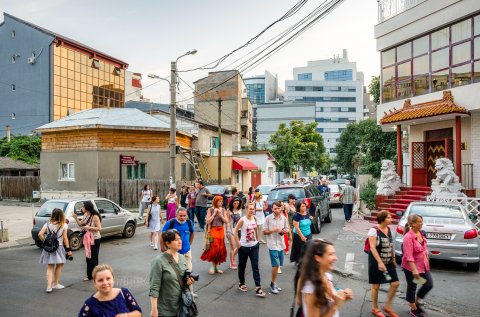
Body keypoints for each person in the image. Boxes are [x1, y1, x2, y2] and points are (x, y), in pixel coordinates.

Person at [297, 239, 352, 317]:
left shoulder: (327, 276)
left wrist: (341, 294)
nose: (336, 258)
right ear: (317, 258)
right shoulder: (312, 288)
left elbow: (300, 302)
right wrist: (335, 305)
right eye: (331, 254)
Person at [149, 229, 196, 317]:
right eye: (176, 240)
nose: (180, 241)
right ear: (167, 243)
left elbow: (182, 280)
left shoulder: (182, 258)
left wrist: (188, 281)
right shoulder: (159, 261)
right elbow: (154, 287)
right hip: (165, 310)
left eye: (180, 239)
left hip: (182, 307)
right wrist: (154, 310)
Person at [368, 210, 400, 317]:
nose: (391, 219)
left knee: (395, 283)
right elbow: (372, 248)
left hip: (389, 261)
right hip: (376, 262)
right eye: (389, 217)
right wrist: (380, 263)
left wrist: (394, 257)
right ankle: (375, 308)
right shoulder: (374, 231)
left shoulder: (389, 229)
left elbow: (391, 244)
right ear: (382, 219)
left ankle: (388, 307)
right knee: (376, 286)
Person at [78, 264, 142, 317]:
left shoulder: (124, 293)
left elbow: (138, 312)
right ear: (95, 283)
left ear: (113, 279)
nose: (105, 283)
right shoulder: (90, 304)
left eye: (108, 278)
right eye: (100, 280)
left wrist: (127, 315)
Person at [160, 207, 196, 297]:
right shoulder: (170, 223)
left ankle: (190, 292)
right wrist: (162, 247)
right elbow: (162, 236)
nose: (183, 217)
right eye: (181, 216)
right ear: (176, 215)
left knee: (188, 272)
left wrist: (189, 244)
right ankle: (174, 293)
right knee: (175, 274)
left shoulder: (188, 222)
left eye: (184, 215)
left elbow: (192, 233)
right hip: (174, 253)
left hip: (187, 252)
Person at [402, 214, 433, 317]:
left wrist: (426, 255)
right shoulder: (408, 237)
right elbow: (408, 256)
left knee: (428, 284)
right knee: (412, 286)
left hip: (423, 265)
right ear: (412, 224)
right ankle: (413, 308)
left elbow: (424, 247)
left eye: (422, 221)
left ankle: (417, 302)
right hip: (411, 268)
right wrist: (414, 270)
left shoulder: (421, 233)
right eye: (419, 222)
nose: (421, 223)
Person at [233, 202, 266, 298]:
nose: (252, 210)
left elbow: (255, 229)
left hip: (254, 246)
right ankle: (241, 283)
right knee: (242, 266)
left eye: (253, 209)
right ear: (246, 209)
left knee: (255, 266)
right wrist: (238, 244)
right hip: (244, 247)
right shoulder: (242, 220)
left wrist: (257, 239)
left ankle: (258, 287)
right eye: (250, 209)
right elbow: (235, 231)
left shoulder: (255, 218)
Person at [38, 208, 72, 293]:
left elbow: (40, 234)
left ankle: (49, 287)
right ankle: (56, 284)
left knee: (50, 267)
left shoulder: (47, 224)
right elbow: (65, 238)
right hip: (59, 247)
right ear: (61, 215)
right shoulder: (63, 225)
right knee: (59, 265)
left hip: (49, 248)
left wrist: (46, 241)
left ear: (53, 215)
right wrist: (68, 250)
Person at [263, 201, 290, 294]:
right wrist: (272, 230)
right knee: (275, 265)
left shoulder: (284, 218)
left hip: (281, 244)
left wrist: (284, 231)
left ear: (281, 208)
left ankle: (274, 283)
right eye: (275, 209)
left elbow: (287, 228)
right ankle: (272, 284)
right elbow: (264, 232)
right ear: (272, 209)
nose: (277, 210)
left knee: (278, 265)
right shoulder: (268, 218)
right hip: (272, 244)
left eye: (278, 208)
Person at [72, 201, 102, 281]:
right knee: (88, 257)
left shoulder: (95, 216)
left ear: (87, 207)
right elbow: (81, 224)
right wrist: (75, 218)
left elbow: (99, 228)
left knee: (94, 258)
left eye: (83, 206)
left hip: (95, 239)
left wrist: (89, 228)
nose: (82, 208)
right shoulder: (85, 215)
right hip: (87, 239)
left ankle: (95, 276)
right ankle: (89, 276)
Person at [200, 195, 228, 274]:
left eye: (221, 201)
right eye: (219, 201)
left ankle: (216, 267)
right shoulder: (210, 209)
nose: (221, 203)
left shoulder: (223, 210)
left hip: (221, 231)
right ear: (215, 202)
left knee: (219, 249)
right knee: (214, 249)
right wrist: (214, 214)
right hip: (213, 230)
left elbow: (226, 221)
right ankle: (213, 266)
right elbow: (208, 221)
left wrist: (221, 215)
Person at [226, 196, 243, 269]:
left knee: (239, 246)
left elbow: (241, 220)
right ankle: (232, 262)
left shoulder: (240, 209)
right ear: (232, 203)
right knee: (232, 246)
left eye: (237, 203)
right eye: (235, 203)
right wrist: (227, 231)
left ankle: (232, 256)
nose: (236, 204)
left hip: (238, 230)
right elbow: (226, 222)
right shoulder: (228, 210)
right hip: (230, 230)